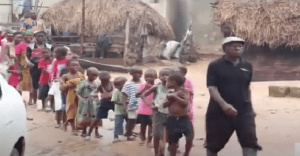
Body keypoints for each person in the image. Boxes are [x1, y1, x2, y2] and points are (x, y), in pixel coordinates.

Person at [205, 37, 262, 156]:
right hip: (219, 112)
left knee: (250, 142)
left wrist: (250, 108)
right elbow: (212, 87)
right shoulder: (215, 65)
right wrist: (224, 105)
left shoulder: (247, 65)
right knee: (213, 144)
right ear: (224, 49)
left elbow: (246, 87)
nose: (237, 48)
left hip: (244, 111)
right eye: (233, 46)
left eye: (240, 46)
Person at [142, 68, 171, 156]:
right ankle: (156, 153)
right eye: (163, 75)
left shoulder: (174, 87)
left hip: (171, 114)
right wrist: (150, 105)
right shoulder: (157, 87)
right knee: (157, 134)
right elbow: (143, 95)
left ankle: (164, 151)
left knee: (169, 134)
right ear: (159, 77)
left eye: (168, 75)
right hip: (158, 113)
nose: (165, 77)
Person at [163, 73, 193, 156]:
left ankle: (186, 153)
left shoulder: (185, 91)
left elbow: (185, 103)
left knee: (189, 137)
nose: (166, 83)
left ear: (173, 82)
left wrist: (175, 97)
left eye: (167, 81)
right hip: (172, 118)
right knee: (173, 140)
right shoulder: (169, 93)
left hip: (184, 118)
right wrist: (173, 96)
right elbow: (164, 105)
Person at [60, 59, 85, 135]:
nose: (76, 66)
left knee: (79, 111)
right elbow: (62, 87)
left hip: (80, 95)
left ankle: (66, 123)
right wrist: (69, 84)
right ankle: (73, 129)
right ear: (68, 66)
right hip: (70, 96)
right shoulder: (65, 76)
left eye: (77, 65)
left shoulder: (81, 75)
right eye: (73, 65)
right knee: (71, 111)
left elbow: (85, 84)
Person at [27, 30, 52, 105]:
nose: (40, 37)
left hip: (46, 68)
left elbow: (52, 56)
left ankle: (45, 101)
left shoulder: (49, 46)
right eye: (38, 36)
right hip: (34, 67)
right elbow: (27, 56)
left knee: (46, 84)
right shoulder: (30, 47)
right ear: (35, 37)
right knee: (35, 84)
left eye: (42, 36)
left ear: (44, 37)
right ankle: (35, 101)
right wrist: (29, 63)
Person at [87, 71, 114, 138]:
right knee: (97, 118)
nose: (105, 81)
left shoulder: (113, 84)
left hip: (114, 102)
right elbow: (93, 93)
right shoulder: (100, 86)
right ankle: (88, 134)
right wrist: (96, 100)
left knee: (122, 115)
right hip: (104, 103)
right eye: (104, 80)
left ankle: (128, 131)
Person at [76, 67, 100, 140]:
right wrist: (81, 100)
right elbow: (78, 93)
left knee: (96, 116)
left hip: (95, 101)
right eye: (93, 75)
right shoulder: (83, 83)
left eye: (96, 76)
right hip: (86, 102)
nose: (95, 77)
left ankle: (96, 131)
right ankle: (84, 131)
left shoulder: (97, 83)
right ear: (88, 74)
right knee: (85, 116)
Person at [136, 69, 157, 147]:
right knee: (143, 126)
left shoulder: (156, 87)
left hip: (152, 110)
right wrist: (145, 88)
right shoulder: (142, 85)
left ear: (156, 77)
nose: (148, 78)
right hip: (143, 110)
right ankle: (142, 139)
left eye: (151, 77)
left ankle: (149, 141)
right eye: (146, 77)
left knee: (151, 126)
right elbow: (137, 95)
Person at [122, 66, 143, 141]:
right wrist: (124, 105)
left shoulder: (143, 84)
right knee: (131, 120)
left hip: (141, 106)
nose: (139, 75)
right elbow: (124, 95)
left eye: (140, 73)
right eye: (136, 73)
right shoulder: (128, 84)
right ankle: (129, 134)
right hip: (132, 105)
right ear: (131, 73)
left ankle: (139, 133)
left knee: (141, 121)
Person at [15, 31, 34, 102]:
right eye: (27, 35)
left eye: (30, 35)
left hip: (34, 66)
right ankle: (21, 99)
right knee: (23, 82)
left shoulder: (34, 44)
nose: (29, 37)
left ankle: (32, 99)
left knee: (33, 82)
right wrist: (18, 68)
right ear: (24, 37)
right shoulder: (20, 45)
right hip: (24, 66)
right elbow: (17, 57)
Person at [111, 76, 127, 143]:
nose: (117, 87)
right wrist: (123, 103)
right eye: (116, 85)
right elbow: (114, 101)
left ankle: (128, 134)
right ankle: (116, 137)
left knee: (130, 122)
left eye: (119, 85)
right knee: (118, 123)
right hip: (119, 111)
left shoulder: (127, 91)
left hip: (127, 110)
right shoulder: (116, 91)